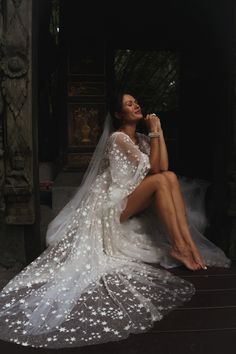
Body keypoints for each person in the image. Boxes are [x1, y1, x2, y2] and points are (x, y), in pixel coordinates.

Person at [0, 91, 231, 349]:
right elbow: (154, 170)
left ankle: (188, 245)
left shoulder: (143, 139)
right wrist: (155, 128)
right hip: (111, 204)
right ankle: (180, 246)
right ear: (119, 114)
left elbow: (164, 166)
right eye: (129, 104)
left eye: (136, 102)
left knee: (171, 178)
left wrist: (158, 131)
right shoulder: (118, 138)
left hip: (132, 195)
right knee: (160, 180)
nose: (136, 105)